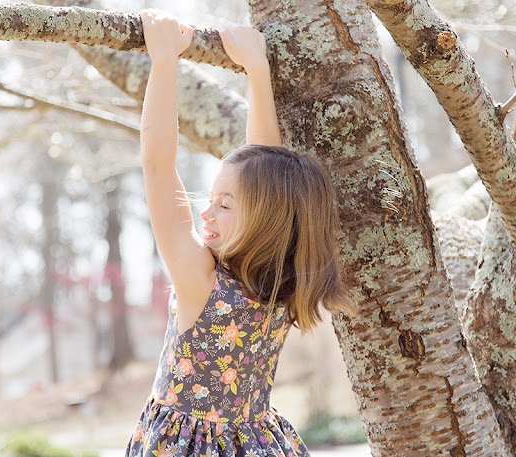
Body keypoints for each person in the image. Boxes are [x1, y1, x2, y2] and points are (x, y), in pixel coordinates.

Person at [126, 9, 356, 457]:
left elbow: (158, 168)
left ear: (266, 219)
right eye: (212, 198)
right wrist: (257, 69)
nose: (206, 212)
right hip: (258, 443)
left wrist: (165, 60)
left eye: (225, 205)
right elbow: (266, 170)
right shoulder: (284, 281)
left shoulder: (203, 282)